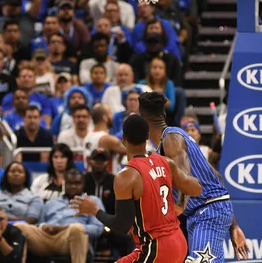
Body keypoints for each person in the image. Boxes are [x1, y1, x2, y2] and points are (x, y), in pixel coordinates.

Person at [72, 114, 203, 263]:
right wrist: (179, 204)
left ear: (123, 139)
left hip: (156, 247)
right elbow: (196, 189)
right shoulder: (166, 162)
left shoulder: (126, 176)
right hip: (179, 240)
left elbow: (121, 226)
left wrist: (94, 210)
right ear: (147, 136)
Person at [138, 92, 249, 261]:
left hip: (208, 212)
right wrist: (234, 225)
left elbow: (184, 174)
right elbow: (217, 177)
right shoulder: (173, 138)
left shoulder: (171, 139)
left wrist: (179, 207)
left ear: (142, 119)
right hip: (203, 212)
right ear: (164, 115)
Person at [14, 168, 104, 263]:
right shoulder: (51, 202)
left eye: (77, 183)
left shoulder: (92, 201)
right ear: (64, 183)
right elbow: (39, 225)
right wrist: (44, 226)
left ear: (83, 184)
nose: (73, 186)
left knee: (76, 228)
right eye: (69, 183)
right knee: (19, 226)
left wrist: (67, 228)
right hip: (47, 239)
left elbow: (98, 229)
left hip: (70, 239)